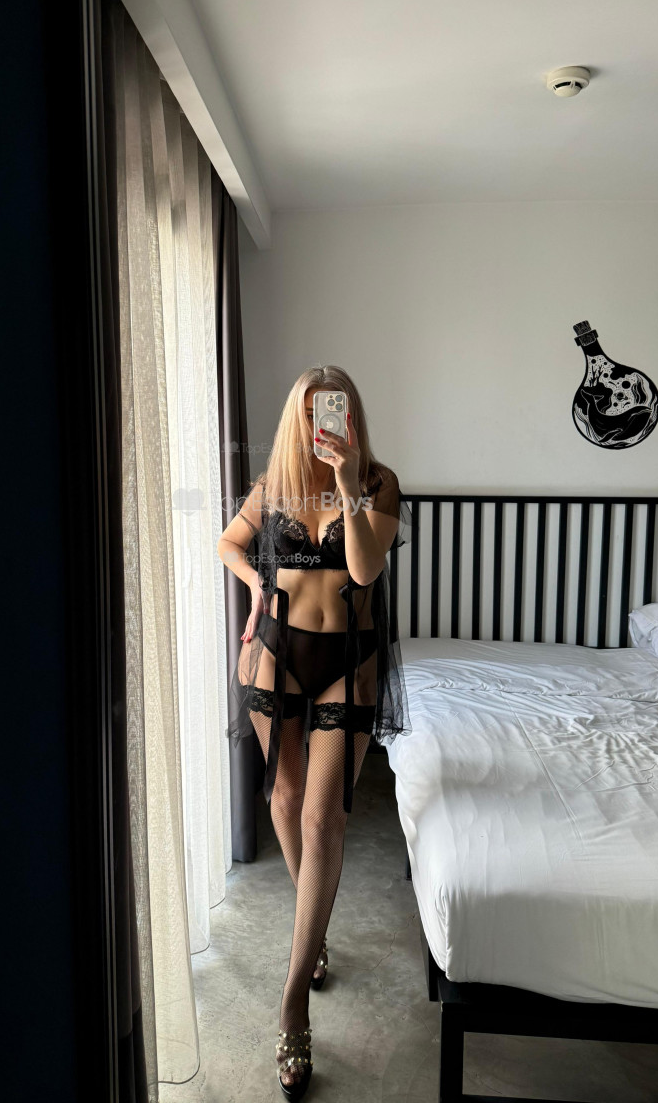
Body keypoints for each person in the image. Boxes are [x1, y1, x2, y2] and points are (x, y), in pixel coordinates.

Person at [217, 365, 411, 1099]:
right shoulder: (273, 486)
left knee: (322, 817)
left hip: (345, 662)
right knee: (284, 799)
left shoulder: (380, 484)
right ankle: (315, 930)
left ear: (351, 416)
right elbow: (228, 543)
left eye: (336, 408)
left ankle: (293, 1000)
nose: (323, 420)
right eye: (311, 409)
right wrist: (256, 589)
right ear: (295, 418)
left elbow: (362, 570)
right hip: (274, 652)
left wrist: (350, 483)